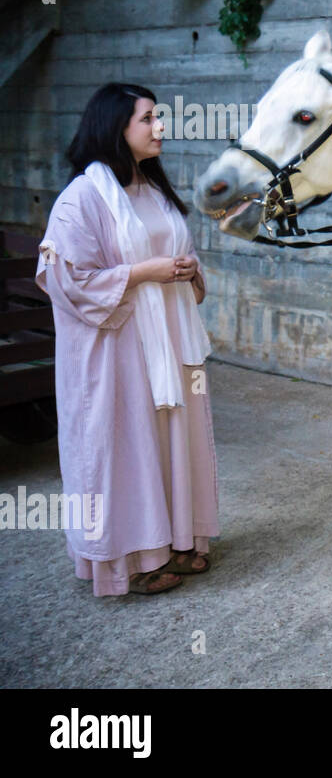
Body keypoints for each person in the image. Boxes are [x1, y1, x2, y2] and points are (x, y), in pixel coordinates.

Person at [36, 83, 219, 596]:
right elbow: (65, 279)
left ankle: (180, 540)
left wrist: (184, 269)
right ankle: (131, 560)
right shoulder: (81, 199)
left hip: (171, 343)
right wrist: (143, 272)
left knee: (173, 442)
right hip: (116, 348)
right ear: (116, 127)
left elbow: (176, 251)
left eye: (158, 117)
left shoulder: (154, 189)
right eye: (148, 119)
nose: (160, 127)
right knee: (125, 449)